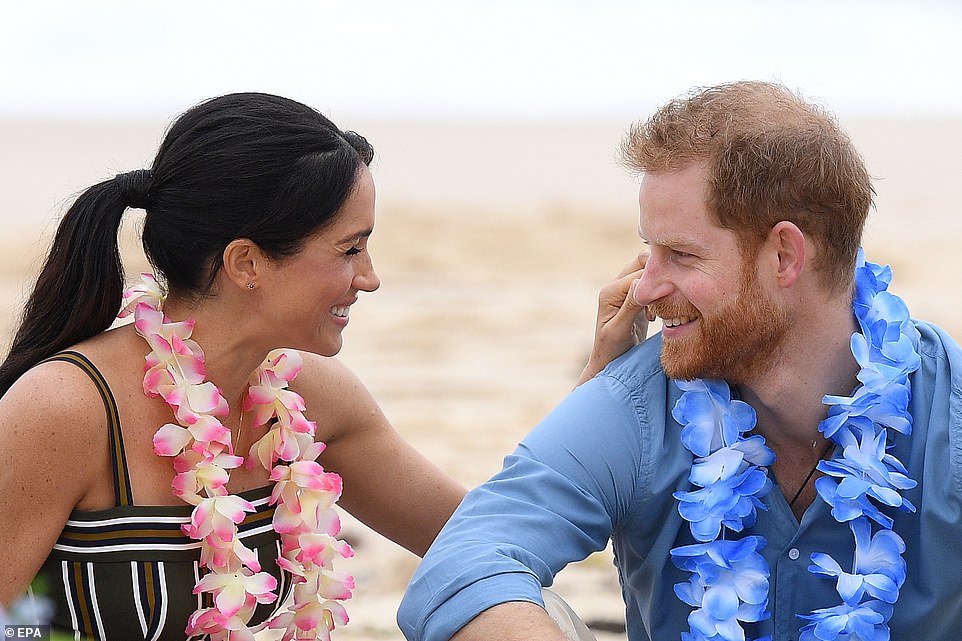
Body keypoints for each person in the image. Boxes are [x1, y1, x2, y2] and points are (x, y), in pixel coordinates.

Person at [397, 81, 962, 641]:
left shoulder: (949, 415)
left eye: (681, 255)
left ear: (784, 254)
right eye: (649, 251)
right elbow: (462, 565)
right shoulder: (642, 402)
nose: (643, 290)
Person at [0, 93, 470, 640]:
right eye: (349, 250)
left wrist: (593, 396)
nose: (369, 277)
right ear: (246, 262)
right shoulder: (65, 407)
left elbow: (477, 536)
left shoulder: (313, 396)